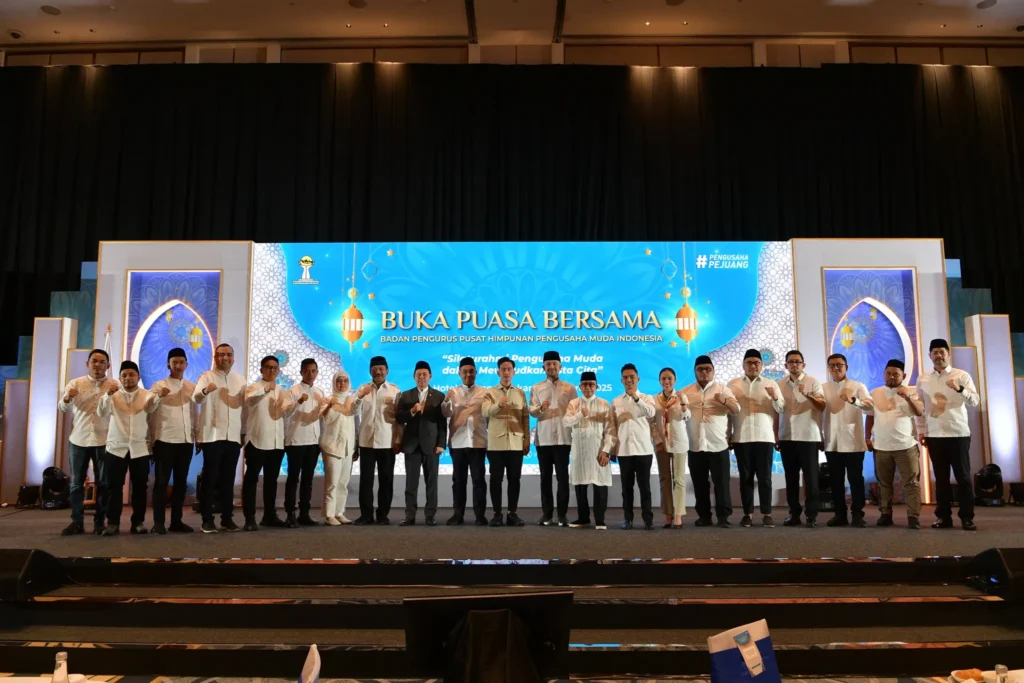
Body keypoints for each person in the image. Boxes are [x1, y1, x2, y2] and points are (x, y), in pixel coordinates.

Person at [915, 338, 980, 531]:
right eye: (935, 352)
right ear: (930, 355)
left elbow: (975, 401)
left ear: (948, 354)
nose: (938, 355)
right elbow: (920, 407)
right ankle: (943, 517)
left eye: (942, 352)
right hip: (934, 435)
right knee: (941, 479)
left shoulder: (961, 375)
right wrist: (921, 431)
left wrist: (960, 389)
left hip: (958, 433)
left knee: (963, 478)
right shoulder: (923, 379)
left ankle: (967, 518)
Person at [97, 360, 162, 536]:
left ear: (138, 377)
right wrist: (107, 395)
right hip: (116, 448)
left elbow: (152, 412)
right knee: (114, 487)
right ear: (120, 378)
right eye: (124, 375)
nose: (128, 378)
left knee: (140, 487)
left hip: (140, 447)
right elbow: (101, 412)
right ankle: (112, 523)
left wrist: (159, 397)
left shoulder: (147, 395)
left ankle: (138, 522)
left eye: (131, 374)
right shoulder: (112, 395)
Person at [59, 348, 117, 536]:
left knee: (103, 484)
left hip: (104, 440)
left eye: (102, 362)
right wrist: (67, 397)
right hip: (79, 440)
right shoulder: (76, 383)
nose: (97, 365)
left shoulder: (115, 385)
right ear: (87, 364)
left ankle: (100, 522)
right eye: (94, 361)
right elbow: (62, 408)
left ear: (108, 365)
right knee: (76, 483)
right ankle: (76, 521)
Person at [727, 349, 784, 529]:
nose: (753, 366)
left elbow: (781, 408)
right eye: (749, 363)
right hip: (741, 437)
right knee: (746, 478)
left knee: (765, 478)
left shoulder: (771, 383)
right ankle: (747, 514)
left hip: (764, 437)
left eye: (756, 363)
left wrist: (774, 397)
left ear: (761, 365)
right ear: (743, 365)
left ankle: (767, 514)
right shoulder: (733, 385)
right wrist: (728, 435)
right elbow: (728, 413)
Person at [193, 343, 247, 533]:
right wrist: (206, 391)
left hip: (233, 436)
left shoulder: (240, 380)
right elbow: (196, 398)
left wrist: (243, 432)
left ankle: (227, 518)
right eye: (221, 354)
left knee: (228, 479)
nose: (225, 358)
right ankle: (207, 520)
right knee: (210, 479)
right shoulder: (206, 377)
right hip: (212, 436)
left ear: (233, 357)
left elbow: (245, 409)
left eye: (228, 354)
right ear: (215, 357)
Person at [866, 359, 925, 529]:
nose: (891, 377)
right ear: (884, 374)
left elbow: (919, 412)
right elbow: (870, 416)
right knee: (884, 484)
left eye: (896, 374)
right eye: (888, 373)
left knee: (912, 483)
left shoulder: (911, 392)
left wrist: (908, 398)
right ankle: (885, 514)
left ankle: (913, 517)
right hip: (881, 446)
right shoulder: (875, 392)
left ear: (903, 376)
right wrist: (867, 437)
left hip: (906, 446)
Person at [682, 355, 739, 528]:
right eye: (700, 369)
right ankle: (704, 516)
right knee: (700, 484)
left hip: (718, 445)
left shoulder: (723, 389)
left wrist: (725, 401)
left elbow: (736, 410)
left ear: (713, 371)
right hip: (695, 445)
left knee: (721, 484)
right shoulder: (686, 392)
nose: (704, 372)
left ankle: (723, 516)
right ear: (695, 371)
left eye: (708, 369)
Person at [148, 348, 197, 534]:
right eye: (174, 362)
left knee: (181, 483)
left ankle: (176, 521)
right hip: (165, 440)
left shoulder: (191, 387)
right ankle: (158, 523)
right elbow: (148, 408)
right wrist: (159, 396)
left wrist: (197, 436)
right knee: (161, 482)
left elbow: (195, 414)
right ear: (168, 365)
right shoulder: (158, 386)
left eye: (181, 362)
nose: (178, 365)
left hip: (186, 440)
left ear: (186, 365)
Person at [822, 353, 873, 528]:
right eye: (832, 365)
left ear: (846, 367)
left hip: (853, 440)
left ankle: (857, 513)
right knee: (835, 480)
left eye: (839, 365)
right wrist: (820, 436)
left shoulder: (857, 386)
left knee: (855, 479)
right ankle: (840, 514)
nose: (835, 368)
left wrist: (853, 400)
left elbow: (870, 406)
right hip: (832, 440)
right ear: (828, 368)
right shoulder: (823, 388)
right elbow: (818, 412)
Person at [529, 351, 578, 527]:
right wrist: (541, 408)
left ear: (560, 366)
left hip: (563, 439)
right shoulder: (537, 388)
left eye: (554, 364)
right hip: (544, 439)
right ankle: (547, 514)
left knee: (563, 479)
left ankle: (562, 515)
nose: (551, 367)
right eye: (548, 364)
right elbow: (532, 411)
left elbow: (575, 412)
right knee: (545, 479)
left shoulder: (570, 388)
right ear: (543, 367)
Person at [777, 350, 826, 527]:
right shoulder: (779, 384)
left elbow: (822, 406)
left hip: (808, 436)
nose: (794, 365)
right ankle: (794, 514)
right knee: (791, 478)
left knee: (811, 478)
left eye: (797, 362)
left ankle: (811, 515)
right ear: (786, 365)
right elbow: (777, 411)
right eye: (791, 362)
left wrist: (808, 394)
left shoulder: (813, 382)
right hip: (787, 436)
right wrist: (776, 434)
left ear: (803, 365)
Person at [396, 361, 448, 526]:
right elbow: (399, 418)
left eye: (424, 374)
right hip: (411, 445)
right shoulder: (406, 395)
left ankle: (430, 516)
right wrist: (412, 411)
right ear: (414, 377)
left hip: (431, 446)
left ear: (430, 376)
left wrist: (441, 443)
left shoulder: (439, 396)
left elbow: (442, 423)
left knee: (431, 483)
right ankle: (410, 515)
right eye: (418, 375)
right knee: (411, 484)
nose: (421, 377)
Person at [241, 355, 288, 532]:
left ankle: (269, 515)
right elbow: (249, 400)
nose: (272, 370)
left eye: (275, 368)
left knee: (271, 481)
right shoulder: (254, 388)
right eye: (268, 367)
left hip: (276, 442)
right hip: (257, 440)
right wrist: (267, 389)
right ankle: (249, 518)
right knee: (251, 480)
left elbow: (286, 414)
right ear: (261, 369)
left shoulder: (282, 391)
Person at [481, 356, 530, 527]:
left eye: (509, 369)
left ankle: (512, 513)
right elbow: (485, 412)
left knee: (514, 480)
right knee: (496, 480)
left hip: (516, 443)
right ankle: (497, 514)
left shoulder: (521, 393)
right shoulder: (490, 393)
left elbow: (525, 418)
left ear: (514, 372)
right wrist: (499, 405)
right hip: (496, 444)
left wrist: (526, 440)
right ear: (498, 372)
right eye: (503, 369)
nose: (506, 372)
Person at [563, 371, 614, 530]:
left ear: (597, 387)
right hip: (580, 450)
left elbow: (610, 429)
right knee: (580, 485)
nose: (588, 387)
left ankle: (600, 519)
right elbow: (566, 422)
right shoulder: (574, 404)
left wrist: (606, 450)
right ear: (580, 387)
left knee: (600, 484)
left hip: (598, 449)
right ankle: (583, 518)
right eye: (584, 384)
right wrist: (580, 415)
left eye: (591, 384)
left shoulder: (604, 403)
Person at [353, 356, 401, 525]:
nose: (378, 372)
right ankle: (366, 515)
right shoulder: (362, 389)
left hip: (387, 442)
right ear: (370, 371)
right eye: (374, 369)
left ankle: (382, 515)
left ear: (387, 371)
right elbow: (353, 412)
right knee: (366, 481)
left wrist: (398, 440)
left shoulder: (395, 391)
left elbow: (399, 419)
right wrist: (360, 396)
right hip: (366, 442)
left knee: (386, 481)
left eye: (381, 369)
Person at [609, 363, 658, 531]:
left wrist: (636, 398)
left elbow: (651, 413)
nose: (629, 380)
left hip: (643, 450)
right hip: (624, 451)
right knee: (626, 488)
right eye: (625, 377)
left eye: (632, 377)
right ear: (621, 380)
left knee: (645, 487)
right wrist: (612, 449)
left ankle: (648, 520)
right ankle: (628, 519)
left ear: (638, 379)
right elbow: (613, 427)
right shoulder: (616, 401)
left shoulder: (646, 398)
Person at [441, 356, 490, 526]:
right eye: (465, 372)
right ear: (459, 373)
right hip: (458, 442)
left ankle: (480, 515)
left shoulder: (485, 393)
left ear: (476, 372)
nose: (468, 374)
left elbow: (489, 417)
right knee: (458, 481)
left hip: (478, 442)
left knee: (479, 480)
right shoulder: (452, 392)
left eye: (471, 371)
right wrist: (446, 401)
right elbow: (446, 414)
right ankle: (458, 514)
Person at [283, 358, 325, 527]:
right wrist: (298, 402)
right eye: (307, 371)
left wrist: (322, 440)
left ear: (317, 372)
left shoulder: (319, 393)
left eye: (313, 371)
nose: (310, 374)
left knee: (308, 479)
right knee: (293, 478)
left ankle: (304, 513)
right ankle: (290, 514)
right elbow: (285, 413)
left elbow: (322, 418)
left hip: (313, 442)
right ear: (301, 372)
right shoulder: (293, 391)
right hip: (295, 440)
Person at [652, 367, 691, 528]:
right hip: (662, 443)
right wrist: (657, 441)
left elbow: (686, 416)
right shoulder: (654, 399)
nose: (666, 381)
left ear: (675, 380)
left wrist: (683, 404)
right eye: (663, 378)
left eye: (669, 378)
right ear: (659, 381)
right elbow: (652, 423)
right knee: (664, 479)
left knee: (679, 480)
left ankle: (678, 515)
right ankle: (668, 514)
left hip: (679, 442)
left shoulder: (681, 397)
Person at [321, 370, 359, 525]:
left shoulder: (352, 400)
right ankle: (329, 514)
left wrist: (355, 445)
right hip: (332, 446)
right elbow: (327, 420)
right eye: (338, 381)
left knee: (343, 483)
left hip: (348, 447)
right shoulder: (327, 400)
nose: (342, 384)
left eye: (345, 381)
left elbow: (356, 424)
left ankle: (339, 512)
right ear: (334, 382)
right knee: (332, 483)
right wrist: (332, 406)